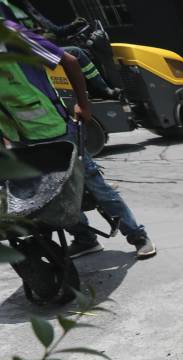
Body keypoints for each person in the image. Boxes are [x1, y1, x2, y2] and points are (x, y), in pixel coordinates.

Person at [0, 14, 155, 259]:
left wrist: (84, 105)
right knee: (50, 198)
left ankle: (137, 235)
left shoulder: (14, 36)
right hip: (20, 138)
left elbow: (70, 61)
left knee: (94, 184)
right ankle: (85, 239)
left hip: (55, 131)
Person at [0, 0, 120, 99]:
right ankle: (103, 89)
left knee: (85, 51)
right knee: (76, 52)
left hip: (44, 47)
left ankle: (95, 88)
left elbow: (56, 31)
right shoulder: (5, 8)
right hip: (29, 53)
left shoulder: (27, 8)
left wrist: (73, 25)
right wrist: (39, 38)